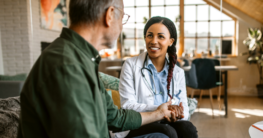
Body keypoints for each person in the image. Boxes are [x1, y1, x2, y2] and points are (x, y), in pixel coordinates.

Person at [17, 0, 174, 138]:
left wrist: (158, 113)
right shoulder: (66, 66)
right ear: (110, 15)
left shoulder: (82, 59)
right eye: (123, 18)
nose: (121, 26)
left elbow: (115, 118)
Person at [118, 16, 198, 138]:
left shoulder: (178, 72)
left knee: (188, 129)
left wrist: (175, 113)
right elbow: (127, 106)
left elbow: (185, 111)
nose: (154, 41)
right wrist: (159, 110)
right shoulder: (130, 65)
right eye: (150, 35)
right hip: (139, 123)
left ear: (171, 41)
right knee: (168, 132)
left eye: (160, 36)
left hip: (166, 121)